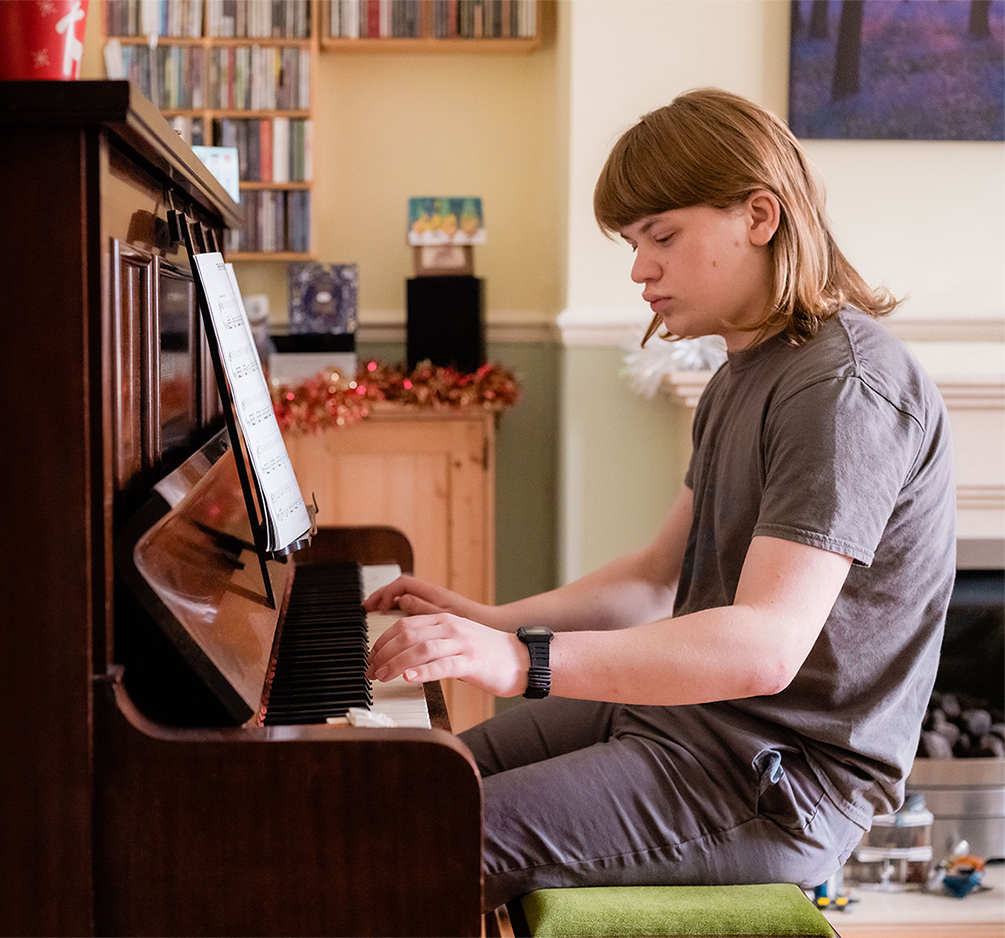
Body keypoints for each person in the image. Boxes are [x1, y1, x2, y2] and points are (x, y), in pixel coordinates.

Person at [364, 88, 956, 911]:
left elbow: (764, 647)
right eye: (634, 242)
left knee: (411, 847)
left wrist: (523, 664)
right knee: (399, 790)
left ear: (760, 215)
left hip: (777, 779)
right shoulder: (744, 371)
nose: (641, 268)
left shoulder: (845, 386)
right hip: (695, 724)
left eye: (663, 236)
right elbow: (651, 579)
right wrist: (493, 621)